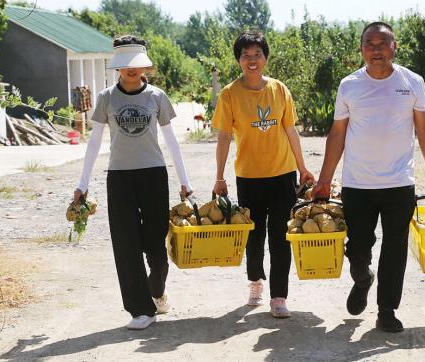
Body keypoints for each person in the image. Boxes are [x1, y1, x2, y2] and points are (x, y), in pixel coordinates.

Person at [313, 22, 425, 332]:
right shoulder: (349, 85)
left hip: (399, 183)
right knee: (358, 247)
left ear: (395, 47)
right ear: (361, 49)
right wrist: (324, 181)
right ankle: (363, 278)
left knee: (395, 248)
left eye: (382, 43)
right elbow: (337, 134)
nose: (375, 49)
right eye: (369, 43)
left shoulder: (412, 82)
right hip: (358, 184)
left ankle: (387, 310)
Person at [73, 35, 192, 330]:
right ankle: (141, 310)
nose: (130, 70)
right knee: (126, 244)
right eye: (124, 65)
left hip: (153, 174)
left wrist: (184, 181)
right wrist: (82, 183)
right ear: (117, 66)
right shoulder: (106, 98)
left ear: (144, 66)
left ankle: (157, 291)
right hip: (120, 178)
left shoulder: (156, 97)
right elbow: (94, 143)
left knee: (155, 245)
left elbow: (171, 141)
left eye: (135, 64)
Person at [212, 31, 314, 318]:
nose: (252, 60)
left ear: (266, 58)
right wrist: (219, 176)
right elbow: (223, 137)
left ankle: (279, 297)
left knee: (281, 236)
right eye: (246, 55)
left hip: (283, 175)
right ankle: (255, 282)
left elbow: (291, 130)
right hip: (249, 177)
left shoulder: (280, 90)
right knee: (253, 236)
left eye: (257, 55)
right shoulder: (230, 94)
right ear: (238, 60)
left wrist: (303, 167)